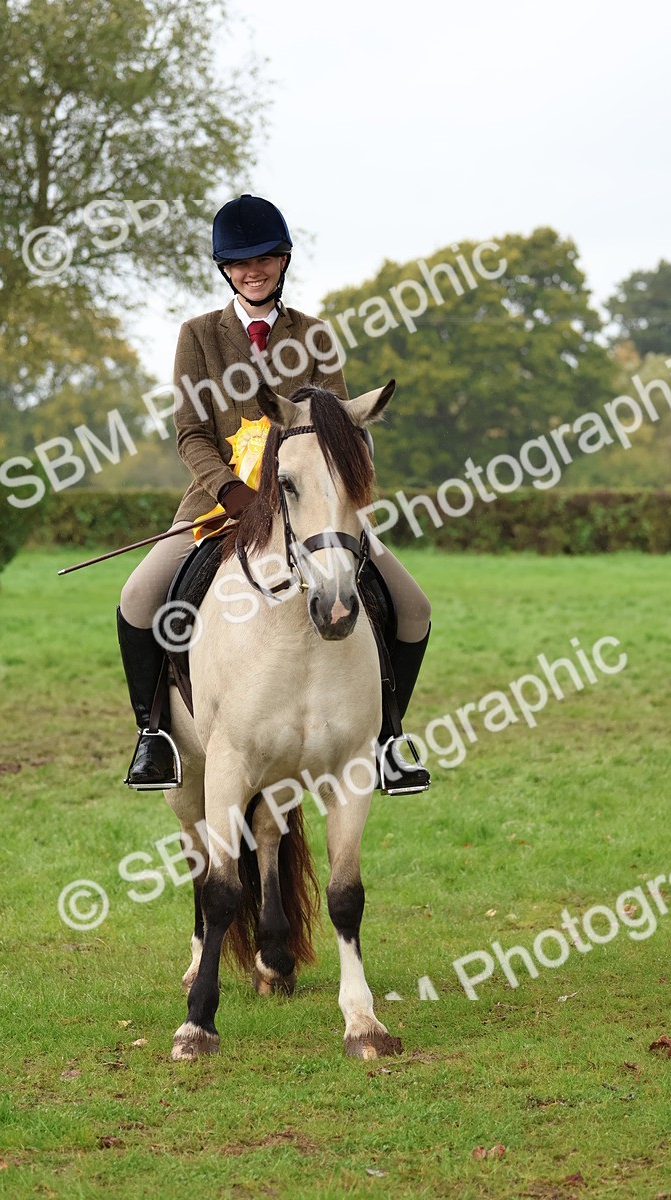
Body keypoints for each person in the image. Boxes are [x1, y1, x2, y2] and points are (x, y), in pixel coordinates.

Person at [117, 194, 431, 794]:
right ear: (225, 269)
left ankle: (389, 737)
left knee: (412, 607)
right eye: (239, 262)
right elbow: (189, 431)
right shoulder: (199, 337)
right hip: (218, 506)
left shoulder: (314, 336)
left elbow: (340, 428)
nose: (252, 270)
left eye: (264, 258)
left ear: (283, 261)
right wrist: (230, 491)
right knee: (138, 597)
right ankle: (153, 736)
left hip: (312, 507)